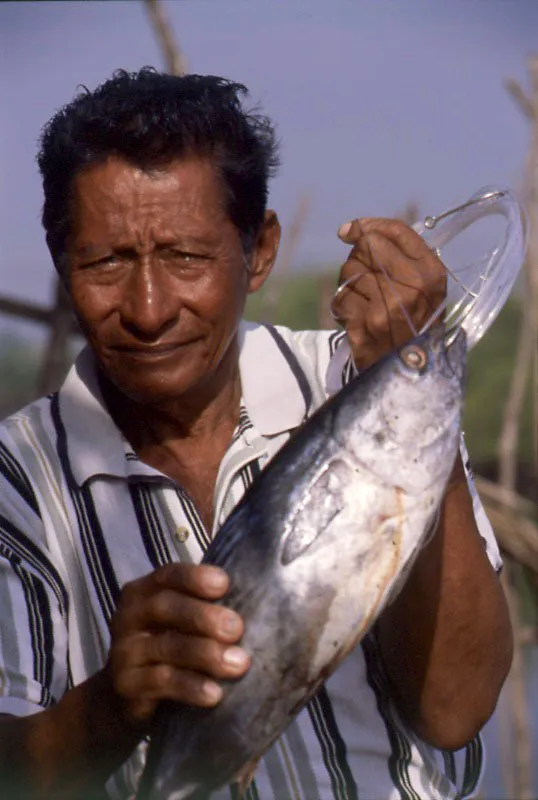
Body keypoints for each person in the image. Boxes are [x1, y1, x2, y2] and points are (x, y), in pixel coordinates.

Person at [0, 69, 512, 800]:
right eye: (107, 261)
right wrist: (111, 704)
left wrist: (412, 398)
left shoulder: (364, 388)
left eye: (187, 257)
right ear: (61, 265)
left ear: (260, 251)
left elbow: (456, 707)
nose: (148, 309)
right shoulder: (17, 480)